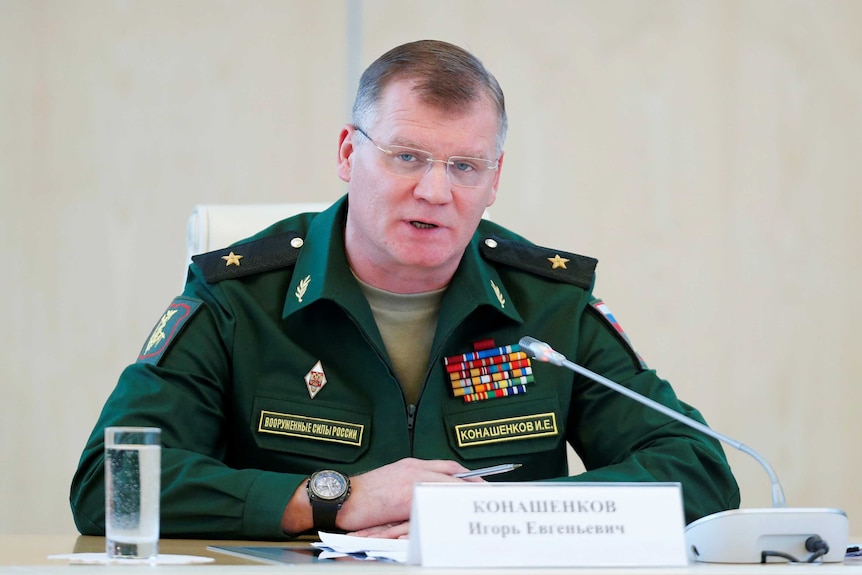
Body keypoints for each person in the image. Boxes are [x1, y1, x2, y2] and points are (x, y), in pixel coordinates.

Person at [70, 39, 739, 540]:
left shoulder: (547, 304)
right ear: (346, 153)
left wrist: (492, 517)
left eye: (464, 166)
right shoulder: (241, 297)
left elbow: (700, 470)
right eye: (407, 156)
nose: (435, 192)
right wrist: (333, 497)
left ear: (495, 177)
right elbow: (111, 482)